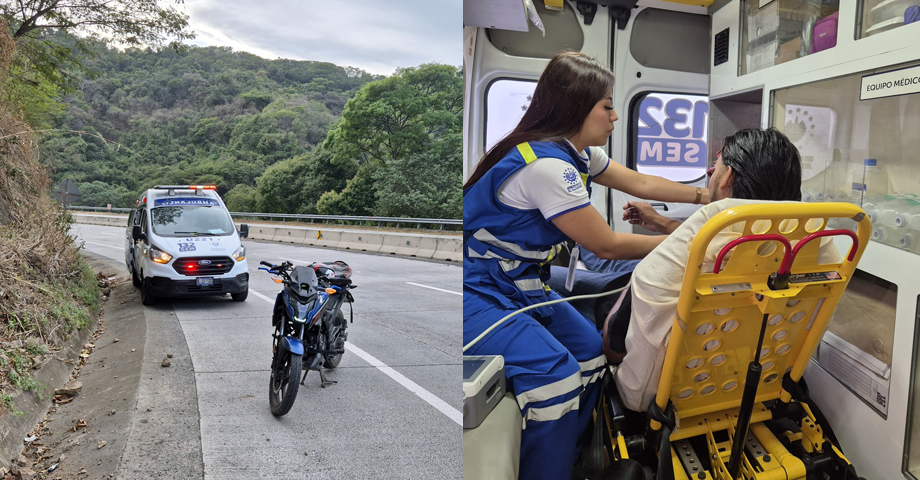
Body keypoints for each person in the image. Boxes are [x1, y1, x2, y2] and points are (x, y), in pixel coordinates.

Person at [462, 50, 710, 480]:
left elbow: (642, 181)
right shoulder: (546, 167)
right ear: (576, 108)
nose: (615, 116)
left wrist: (708, 199)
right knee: (555, 374)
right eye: (607, 106)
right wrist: (691, 241)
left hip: (522, 284)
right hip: (477, 290)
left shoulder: (575, 153)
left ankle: (572, 458)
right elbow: (608, 245)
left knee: (592, 353)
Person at [610, 127, 842, 412]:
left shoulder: (707, 237)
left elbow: (620, 339)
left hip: (664, 399)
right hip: (760, 386)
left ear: (728, 176)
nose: (709, 172)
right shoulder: (817, 243)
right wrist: (663, 223)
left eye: (716, 163)